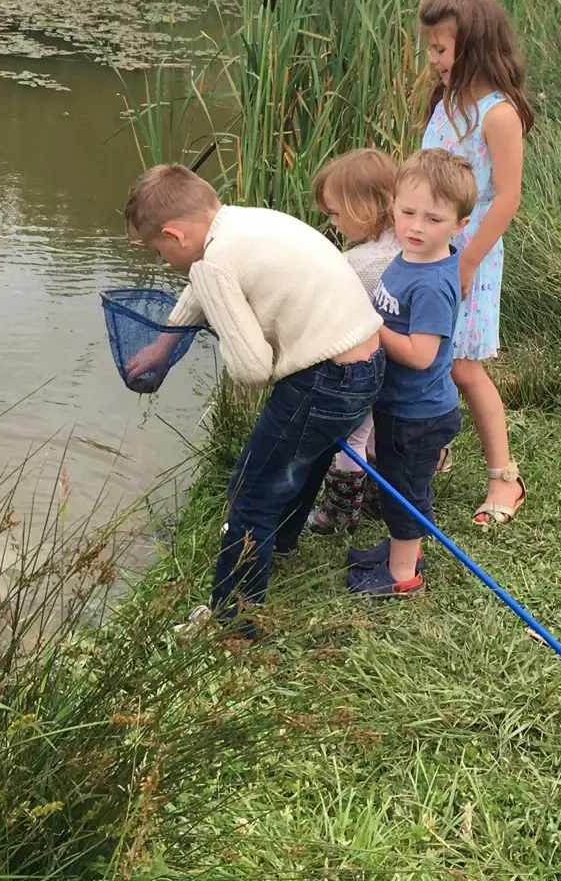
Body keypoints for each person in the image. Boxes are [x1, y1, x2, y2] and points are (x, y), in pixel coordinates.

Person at [123, 163, 384, 635]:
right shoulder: (244, 222)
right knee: (298, 464)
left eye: (160, 252)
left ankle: (232, 624)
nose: (166, 263)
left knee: (251, 492)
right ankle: (279, 548)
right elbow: (206, 288)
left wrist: (226, 326)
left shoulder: (213, 263)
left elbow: (251, 369)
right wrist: (164, 345)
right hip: (366, 365)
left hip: (324, 377)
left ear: (174, 234)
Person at [418, 0, 535, 526]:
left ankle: (504, 478)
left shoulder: (498, 115)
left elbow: (507, 198)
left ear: (477, 46)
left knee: (463, 366)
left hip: (472, 252)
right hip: (429, 246)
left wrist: (466, 262)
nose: (434, 60)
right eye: (433, 49)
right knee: (426, 355)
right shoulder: (446, 103)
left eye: (442, 50)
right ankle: (435, 446)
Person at [346, 149, 474, 595]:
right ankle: (402, 549)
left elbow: (421, 355)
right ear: (393, 207)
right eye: (407, 213)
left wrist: (371, 326)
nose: (417, 227)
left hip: (417, 415)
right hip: (398, 406)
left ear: (460, 225)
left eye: (434, 220)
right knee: (399, 487)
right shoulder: (407, 258)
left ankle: (404, 574)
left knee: (405, 495)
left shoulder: (434, 282)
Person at [306, 148, 402, 536]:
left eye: (336, 213)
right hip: (403, 368)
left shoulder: (358, 263)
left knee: (353, 437)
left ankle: (340, 511)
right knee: (381, 432)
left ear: (363, 208)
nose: (334, 222)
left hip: (365, 367)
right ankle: (379, 498)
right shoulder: (411, 247)